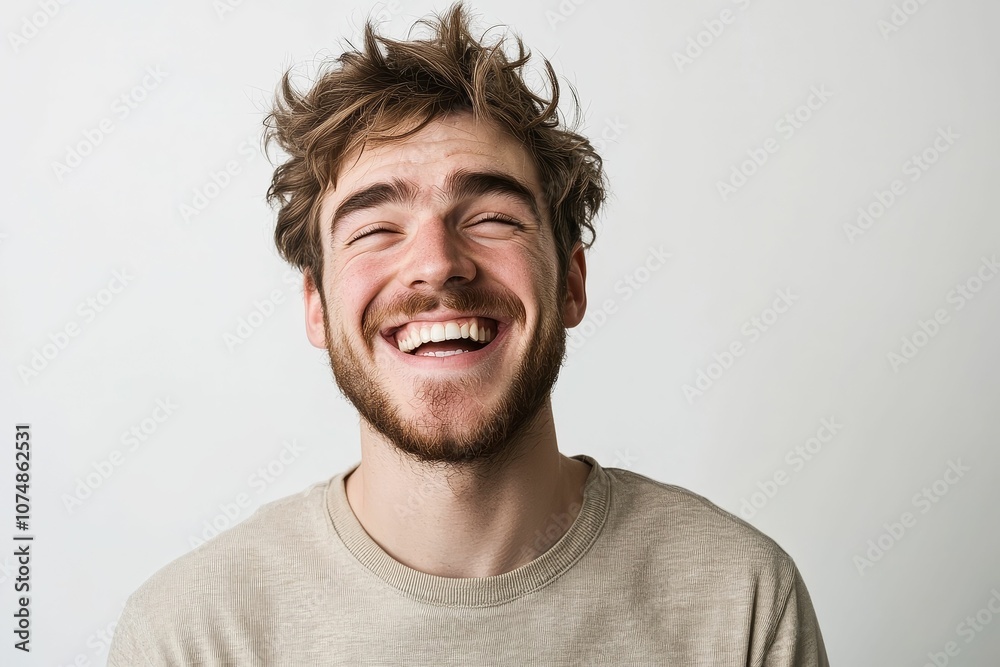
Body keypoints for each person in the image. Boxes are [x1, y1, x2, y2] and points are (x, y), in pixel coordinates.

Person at [109, 3, 829, 664]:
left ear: (570, 281)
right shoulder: (189, 636)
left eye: (492, 218)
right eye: (375, 229)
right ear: (317, 308)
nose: (437, 265)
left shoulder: (739, 602)